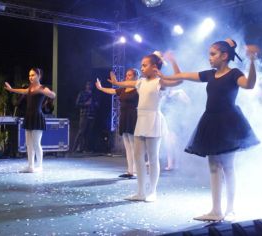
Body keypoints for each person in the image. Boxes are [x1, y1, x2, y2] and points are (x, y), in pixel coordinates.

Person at [158, 39, 260, 221]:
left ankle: (229, 209)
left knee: (228, 167)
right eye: (209, 54)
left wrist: (252, 61)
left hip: (228, 122)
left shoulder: (234, 73)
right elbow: (181, 75)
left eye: (213, 54)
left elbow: (249, 84)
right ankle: (216, 210)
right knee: (214, 166)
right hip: (211, 120)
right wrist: (165, 69)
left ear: (224, 55)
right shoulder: (210, 74)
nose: (209, 58)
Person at [108, 52, 182, 202]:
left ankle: (152, 192)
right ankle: (140, 191)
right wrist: (116, 82)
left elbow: (179, 80)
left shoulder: (160, 82)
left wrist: (173, 61)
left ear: (154, 67)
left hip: (153, 119)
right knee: (138, 157)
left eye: (144, 65)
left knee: (153, 158)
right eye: (141, 65)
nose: (141, 68)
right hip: (140, 119)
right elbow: (127, 84)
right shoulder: (140, 82)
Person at [4, 68, 56, 173]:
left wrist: (49, 93)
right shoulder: (30, 89)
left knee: (36, 143)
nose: (30, 77)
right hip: (29, 117)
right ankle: (30, 166)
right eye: (29, 75)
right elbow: (22, 90)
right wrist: (11, 89)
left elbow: (52, 95)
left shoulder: (42, 88)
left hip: (37, 117)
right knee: (29, 143)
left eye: (33, 75)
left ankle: (40, 166)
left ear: (39, 76)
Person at [95, 69, 139, 178]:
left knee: (134, 146)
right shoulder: (123, 89)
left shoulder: (138, 88)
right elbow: (112, 91)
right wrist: (100, 88)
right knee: (128, 146)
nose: (127, 77)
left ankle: (136, 170)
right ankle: (130, 171)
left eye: (129, 75)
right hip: (124, 117)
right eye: (126, 75)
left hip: (133, 117)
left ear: (135, 77)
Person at [72, 81, 99, 153]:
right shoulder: (82, 93)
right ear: (86, 86)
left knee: (89, 133)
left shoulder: (94, 95)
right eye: (88, 85)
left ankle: (85, 149)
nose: (90, 86)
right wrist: (85, 103)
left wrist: (96, 104)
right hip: (84, 115)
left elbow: (97, 104)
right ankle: (75, 148)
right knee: (81, 132)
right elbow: (77, 104)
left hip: (92, 115)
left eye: (91, 85)